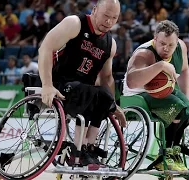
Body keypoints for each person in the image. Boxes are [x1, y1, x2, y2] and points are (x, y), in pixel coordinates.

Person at [38, 0, 126, 169]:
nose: (109, 22)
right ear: (94, 10)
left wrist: (112, 104)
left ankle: (88, 149)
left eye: (114, 18)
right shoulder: (75, 23)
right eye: (106, 16)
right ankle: (78, 150)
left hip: (84, 91)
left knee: (103, 97)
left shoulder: (110, 44)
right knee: (90, 92)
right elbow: (45, 48)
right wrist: (47, 84)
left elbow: (107, 77)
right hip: (60, 84)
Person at [123, 20, 189, 171]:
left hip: (164, 90)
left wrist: (186, 97)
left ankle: (174, 152)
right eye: (162, 43)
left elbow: (184, 70)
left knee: (187, 110)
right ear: (155, 38)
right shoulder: (144, 53)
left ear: (177, 42)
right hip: (138, 93)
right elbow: (131, 82)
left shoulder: (181, 48)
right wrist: (160, 65)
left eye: (171, 45)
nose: (166, 48)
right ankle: (164, 155)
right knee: (175, 106)